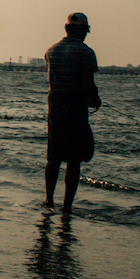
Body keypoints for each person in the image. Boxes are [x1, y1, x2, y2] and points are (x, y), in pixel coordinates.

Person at [43, 11, 101, 215]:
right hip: (75, 109)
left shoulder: (51, 51)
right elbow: (88, 84)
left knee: (54, 158)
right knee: (74, 159)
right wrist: (95, 98)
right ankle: (67, 206)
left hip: (55, 109)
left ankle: (49, 200)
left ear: (66, 29)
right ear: (82, 31)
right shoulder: (86, 53)